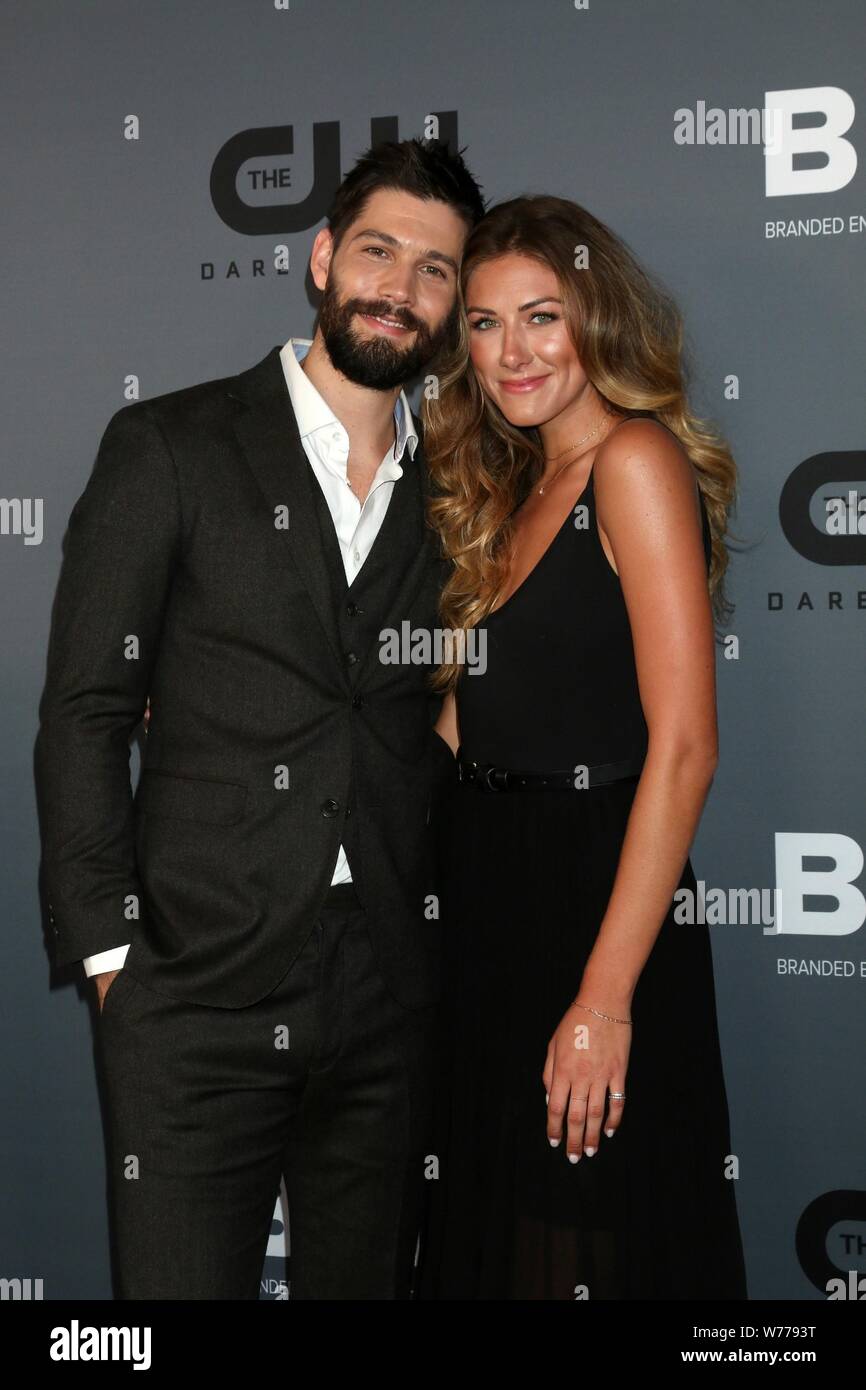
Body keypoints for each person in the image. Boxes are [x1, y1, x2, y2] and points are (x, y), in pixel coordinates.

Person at [33, 137, 485, 1300]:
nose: (401, 287)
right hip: (190, 988)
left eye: (436, 270)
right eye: (378, 251)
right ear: (321, 257)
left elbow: (440, 707)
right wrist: (111, 958)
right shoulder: (171, 447)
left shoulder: (458, 490)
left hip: (385, 982)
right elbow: (85, 711)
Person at [417, 195, 748, 1300]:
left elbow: (686, 745)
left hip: (588, 900)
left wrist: (604, 998)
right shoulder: (507, 489)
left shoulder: (633, 460)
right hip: (486, 899)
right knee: (497, 1237)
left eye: (540, 317)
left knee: (582, 1242)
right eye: (481, 323)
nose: (509, 353)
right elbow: (457, 734)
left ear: (592, 316)